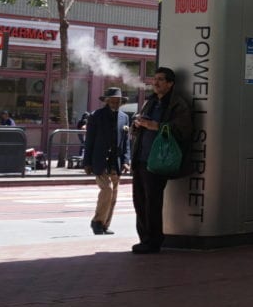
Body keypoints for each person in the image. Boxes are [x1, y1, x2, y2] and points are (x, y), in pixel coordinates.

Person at [129, 67, 193, 254]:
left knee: (152, 202)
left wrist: (155, 125)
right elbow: (138, 129)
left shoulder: (177, 104)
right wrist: (137, 124)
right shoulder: (150, 102)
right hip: (141, 159)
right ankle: (144, 239)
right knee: (139, 201)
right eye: (154, 79)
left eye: (160, 80)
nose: (155, 83)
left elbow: (184, 129)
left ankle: (153, 241)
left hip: (158, 161)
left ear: (170, 83)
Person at [82, 87, 129, 236]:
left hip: (116, 161)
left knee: (114, 195)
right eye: (113, 100)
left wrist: (126, 160)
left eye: (118, 101)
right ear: (107, 101)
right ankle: (97, 221)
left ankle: (105, 225)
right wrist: (87, 162)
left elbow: (126, 142)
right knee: (106, 190)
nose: (116, 103)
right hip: (100, 159)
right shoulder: (96, 116)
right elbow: (89, 140)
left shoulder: (124, 117)